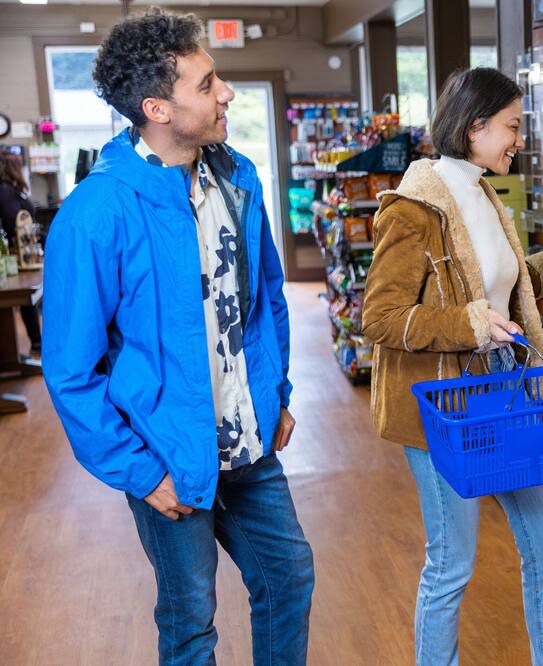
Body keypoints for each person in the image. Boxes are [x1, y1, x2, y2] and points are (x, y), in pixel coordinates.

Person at [41, 9, 314, 665]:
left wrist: (274, 394)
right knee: (191, 620)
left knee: (288, 578)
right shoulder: (96, 213)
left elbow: (267, 297)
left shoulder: (238, 176)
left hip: (248, 444)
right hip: (167, 461)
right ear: (157, 107)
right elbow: (72, 372)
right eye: (207, 82)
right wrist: (140, 470)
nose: (226, 94)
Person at [362, 67, 543, 665]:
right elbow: (380, 317)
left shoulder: (480, 192)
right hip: (441, 405)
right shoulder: (412, 209)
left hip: (508, 387)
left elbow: (489, 287)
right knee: (452, 563)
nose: (518, 139)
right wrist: (471, 325)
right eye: (511, 126)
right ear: (474, 126)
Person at [0, 152, 41, 353]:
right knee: (27, 298)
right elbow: (12, 221)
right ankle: (36, 343)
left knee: (30, 300)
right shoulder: (7, 192)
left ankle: (37, 342)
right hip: (17, 256)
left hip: (26, 253)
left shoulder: (16, 190)